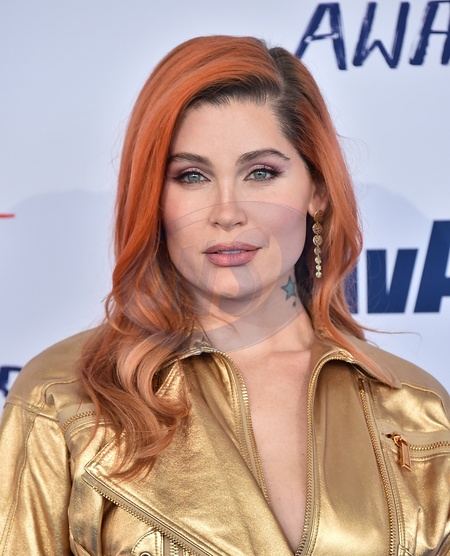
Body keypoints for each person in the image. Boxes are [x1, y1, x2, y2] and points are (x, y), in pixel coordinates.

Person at [0, 35, 449, 556]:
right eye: (192, 176)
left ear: (317, 190)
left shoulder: (416, 410)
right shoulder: (64, 396)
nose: (227, 211)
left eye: (261, 173)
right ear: (154, 198)